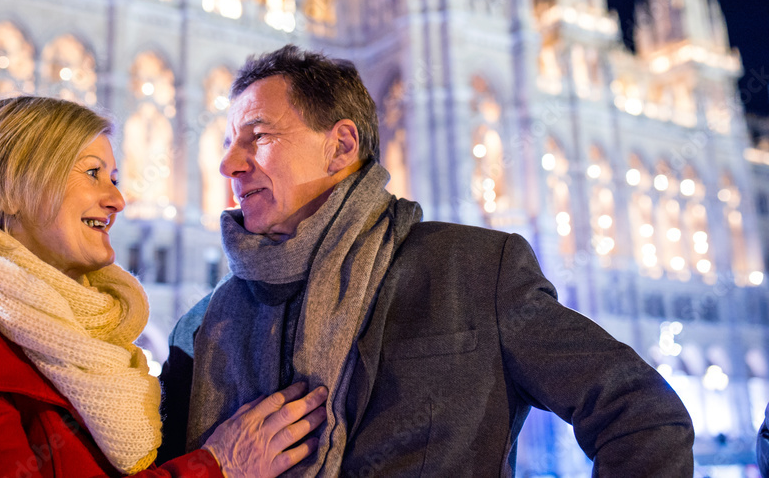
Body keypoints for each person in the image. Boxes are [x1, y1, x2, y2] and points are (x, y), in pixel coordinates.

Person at [159, 45, 695, 476]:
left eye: (259, 136)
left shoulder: (474, 271)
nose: (229, 162)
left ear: (341, 145)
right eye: (230, 141)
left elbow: (641, 413)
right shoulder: (202, 326)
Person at [0, 96, 327, 477]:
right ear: (12, 189)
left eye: (115, 178)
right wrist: (217, 468)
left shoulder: (103, 338)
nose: (117, 199)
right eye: (92, 173)